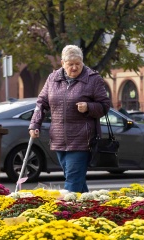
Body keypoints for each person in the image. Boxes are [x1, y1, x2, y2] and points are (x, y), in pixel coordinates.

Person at [29, 45, 111, 193]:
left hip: (82, 140)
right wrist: (35, 124)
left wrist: (88, 107)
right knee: (76, 179)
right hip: (59, 138)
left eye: (78, 64)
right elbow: (41, 103)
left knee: (72, 181)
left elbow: (105, 105)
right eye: (70, 64)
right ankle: (89, 209)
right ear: (62, 63)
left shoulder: (93, 79)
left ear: (82, 62)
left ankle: (66, 212)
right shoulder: (52, 79)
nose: (74, 68)